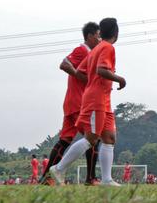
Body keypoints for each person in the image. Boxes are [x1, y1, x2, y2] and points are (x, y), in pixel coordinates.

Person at [48, 17, 126, 186]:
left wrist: (93, 80)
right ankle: (59, 169)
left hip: (104, 100)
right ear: (116, 33)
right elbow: (101, 70)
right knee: (91, 138)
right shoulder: (107, 48)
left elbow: (81, 72)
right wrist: (119, 78)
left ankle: (106, 179)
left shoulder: (95, 50)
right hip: (96, 99)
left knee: (109, 137)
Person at [41, 22, 101, 185]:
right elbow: (64, 64)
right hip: (80, 102)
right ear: (89, 36)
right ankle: (90, 178)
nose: (99, 38)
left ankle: (46, 179)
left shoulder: (92, 53)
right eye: (97, 35)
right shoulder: (82, 50)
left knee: (65, 140)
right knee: (94, 137)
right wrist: (78, 75)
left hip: (72, 101)